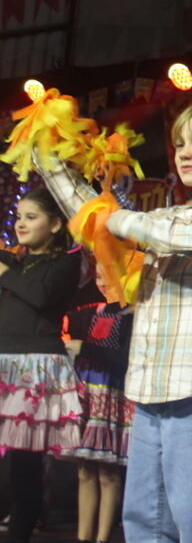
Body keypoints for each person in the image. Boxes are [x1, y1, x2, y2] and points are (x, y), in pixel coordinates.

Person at [37, 101, 192, 542]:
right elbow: (95, 218)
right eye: (179, 144)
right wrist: (47, 155)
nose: (184, 153)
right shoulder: (166, 217)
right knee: (144, 520)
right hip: (148, 386)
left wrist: (121, 219)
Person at [0, 187, 84, 543]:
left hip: (34, 365)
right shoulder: (15, 262)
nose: (20, 224)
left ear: (55, 224)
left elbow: (40, 294)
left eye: (30, 217)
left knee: (25, 464)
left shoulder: (66, 262)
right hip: (3, 361)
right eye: (19, 217)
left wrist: (3, 271)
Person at [64, 269, 135, 543]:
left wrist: (85, 348)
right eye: (99, 277)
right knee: (84, 471)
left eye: (109, 276)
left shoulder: (133, 315)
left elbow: (125, 359)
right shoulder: (91, 312)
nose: (102, 283)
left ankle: (103, 537)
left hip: (111, 395)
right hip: (88, 396)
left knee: (108, 472)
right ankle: (83, 537)